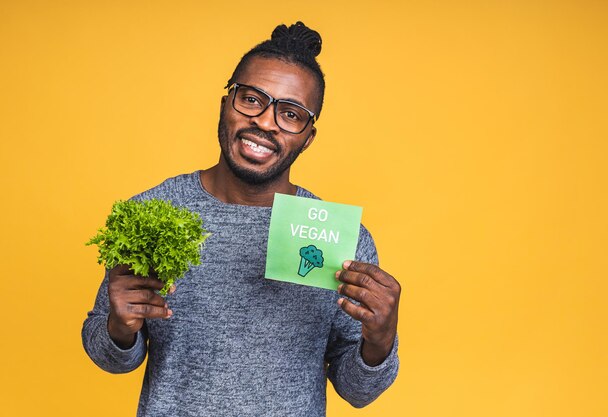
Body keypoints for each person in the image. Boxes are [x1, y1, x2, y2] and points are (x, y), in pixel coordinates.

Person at [82, 21, 400, 417]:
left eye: (290, 113)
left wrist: (380, 340)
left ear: (308, 136)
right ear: (225, 103)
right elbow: (109, 357)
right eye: (251, 100)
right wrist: (118, 327)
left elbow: (357, 392)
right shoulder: (154, 213)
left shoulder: (339, 240)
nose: (265, 122)